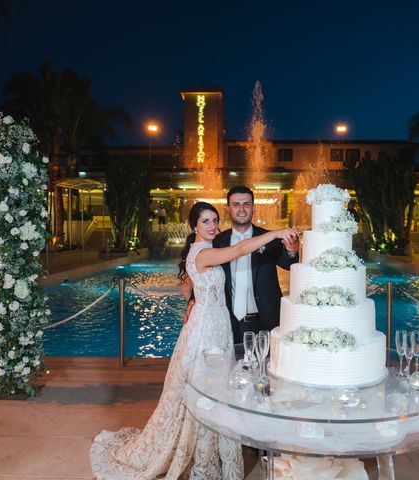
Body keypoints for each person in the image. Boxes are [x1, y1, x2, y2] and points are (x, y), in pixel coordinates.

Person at [90, 201, 298, 480]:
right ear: (195, 226)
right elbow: (238, 250)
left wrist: (193, 299)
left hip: (216, 321)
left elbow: (189, 285)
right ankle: (203, 459)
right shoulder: (202, 253)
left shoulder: (200, 251)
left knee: (215, 389)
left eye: (215, 220)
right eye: (206, 221)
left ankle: (216, 451)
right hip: (206, 329)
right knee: (204, 391)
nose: (213, 225)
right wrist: (274, 233)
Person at [213, 186, 300, 345]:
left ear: (253, 207)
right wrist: (192, 299)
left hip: (263, 321)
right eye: (236, 204)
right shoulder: (218, 241)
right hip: (228, 322)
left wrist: (292, 250)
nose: (241, 209)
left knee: (263, 367)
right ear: (228, 209)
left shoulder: (268, 237)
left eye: (246, 204)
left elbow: (288, 263)